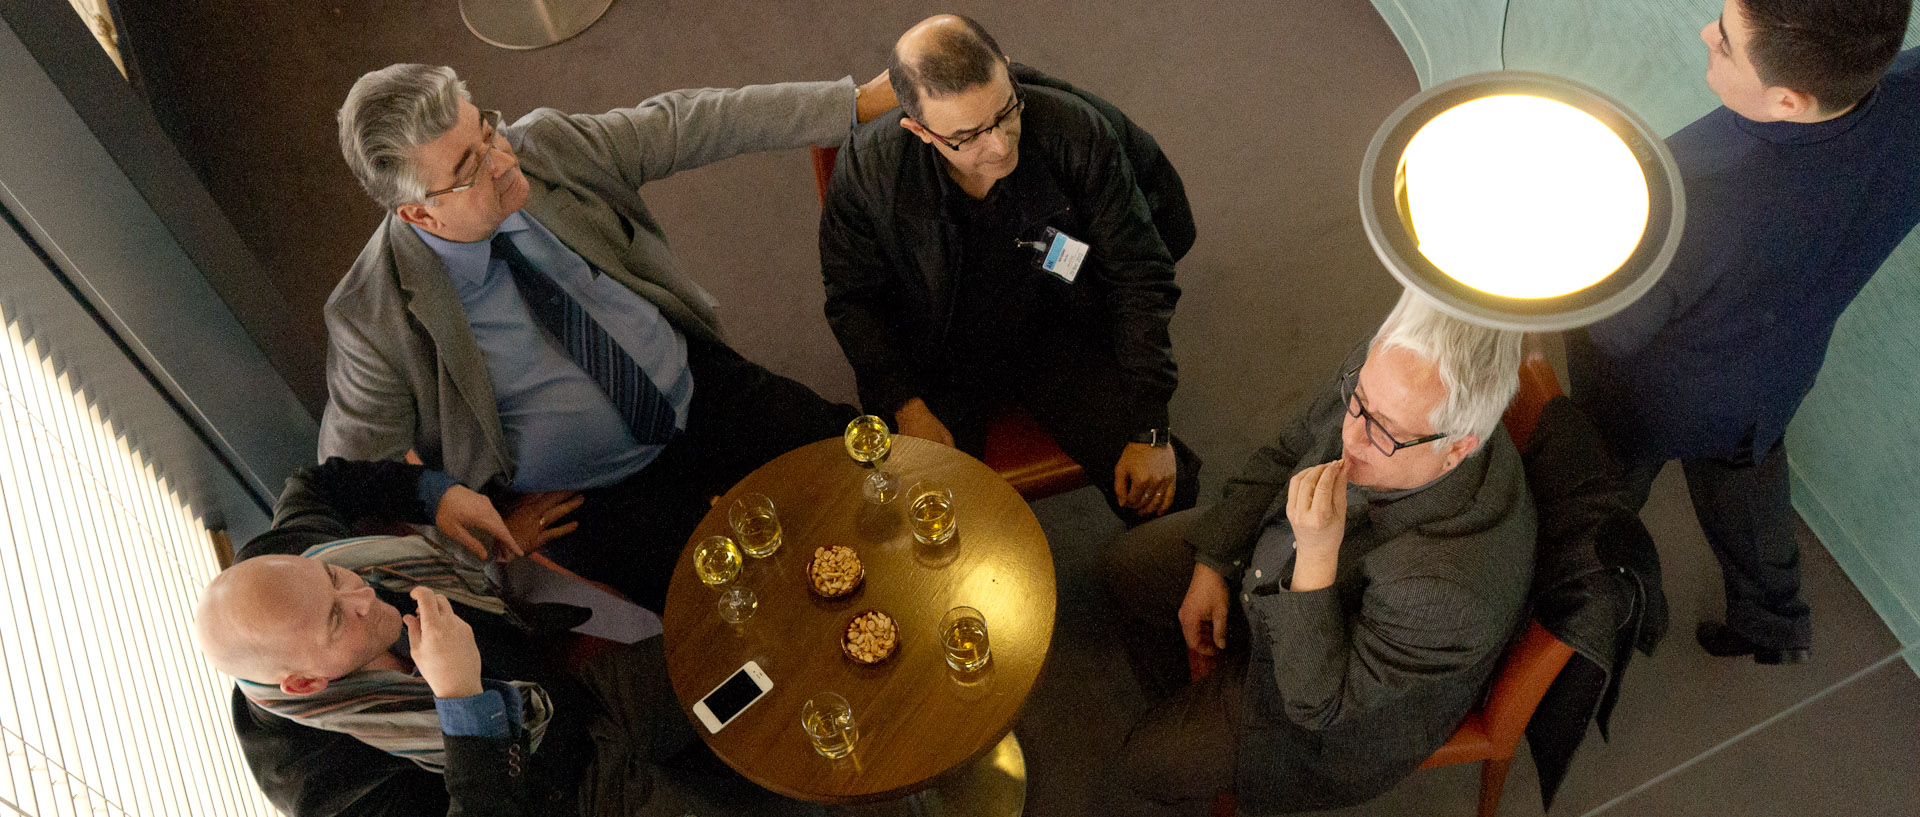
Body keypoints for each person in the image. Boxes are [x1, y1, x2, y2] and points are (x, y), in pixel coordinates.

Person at [320, 64, 897, 609]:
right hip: (594, 500)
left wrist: (853, 102)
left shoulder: (546, 147)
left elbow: (691, 122)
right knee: (749, 618)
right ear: (419, 215)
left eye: (487, 131)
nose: (502, 159)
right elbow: (348, 487)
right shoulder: (371, 319)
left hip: (693, 390)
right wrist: (481, 537)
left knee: (876, 473)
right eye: (469, 169)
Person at [1567, 0, 1918, 664]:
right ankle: (1773, 623)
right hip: (1774, 376)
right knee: (1747, 485)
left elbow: (1613, 334)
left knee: (1592, 499)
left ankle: (1596, 616)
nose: (1707, 34)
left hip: (1654, 397)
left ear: (1788, 100)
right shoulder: (1909, 93)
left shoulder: (1687, 192)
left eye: (1725, 43)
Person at [1103, 291, 1534, 815]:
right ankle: (1194, 694)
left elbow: (1319, 703)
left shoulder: (1446, 589)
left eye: (1384, 433)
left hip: (1320, 707)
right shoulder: (1386, 383)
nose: (1351, 436)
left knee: (1140, 766)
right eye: (1358, 400)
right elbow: (1291, 447)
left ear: (1458, 449)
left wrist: (1315, 553)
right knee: (1124, 568)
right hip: (1274, 562)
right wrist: (1214, 561)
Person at [196, 457, 820, 817]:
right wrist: (461, 703)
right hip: (567, 799)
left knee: (758, 647)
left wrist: (434, 495)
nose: (363, 595)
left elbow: (316, 484)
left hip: (570, 698)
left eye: (335, 575)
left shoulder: (285, 561)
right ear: (304, 682)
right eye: (338, 619)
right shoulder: (321, 782)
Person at [820, 14, 1200, 524]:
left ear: (1007, 74)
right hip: (938, 354)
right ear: (919, 130)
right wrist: (905, 403)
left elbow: (1140, 275)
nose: (1000, 147)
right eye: (967, 136)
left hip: (1059, 330)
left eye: (1005, 112)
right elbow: (853, 298)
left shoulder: (1077, 131)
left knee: (1168, 491)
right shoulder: (870, 171)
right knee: (922, 518)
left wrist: (1150, 429)